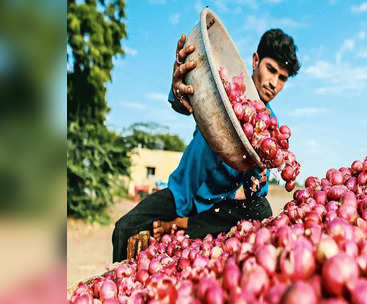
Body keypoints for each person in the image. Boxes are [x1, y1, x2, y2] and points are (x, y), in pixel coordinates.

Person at [112, 29, 300, 262]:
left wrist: (259, 172)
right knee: (124, 229)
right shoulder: (224, 89)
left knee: (261, 210)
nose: (274, 82)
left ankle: (184, 227)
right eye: (271, 70)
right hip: (181, 193)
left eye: (282, 78)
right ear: (255, 61)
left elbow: (254, 194)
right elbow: (184, 103)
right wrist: (179, 86)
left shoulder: (270, 131)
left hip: (216, 208)